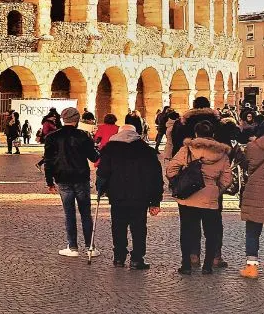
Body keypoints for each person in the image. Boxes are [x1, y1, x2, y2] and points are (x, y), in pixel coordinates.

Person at [166, 120, 232, 274]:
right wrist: (215, 190)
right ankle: (207, 266)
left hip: (188, 196)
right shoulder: (221, 153)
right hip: (210, 197)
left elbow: (170, 169)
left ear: (196, 134)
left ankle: (187, 264)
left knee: (187, 230)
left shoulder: (187, 149)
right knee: (211, 232)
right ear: (213, 134)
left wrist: (180, 181)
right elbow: (227, 180)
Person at [95, 125, 163, 269]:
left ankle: (119, 257)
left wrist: (101, 189)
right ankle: (137, 259)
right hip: (140, 195)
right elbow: (155, 177)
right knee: (138, 228)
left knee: (118, 226)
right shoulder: (146, 151)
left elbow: (103, 173)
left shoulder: (110, 150)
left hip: (117, 195)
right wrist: (155, 200)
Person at [43, 107, 100, 257]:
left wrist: (49, 182)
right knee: (86, 213)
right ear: (77, 120)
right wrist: (96, 146)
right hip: (81, 177)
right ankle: (90, 246)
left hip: (63, 178)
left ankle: (73, 247)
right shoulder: (83, 136)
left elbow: (48, 162)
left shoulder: (52, 137)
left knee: (69, 213)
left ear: (63, 119)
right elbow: (94, 157)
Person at [239, 117, 264, 279]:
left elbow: (247, 165)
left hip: (254, 193)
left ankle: (252, 267)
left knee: (252, 232)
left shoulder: (252, 146)